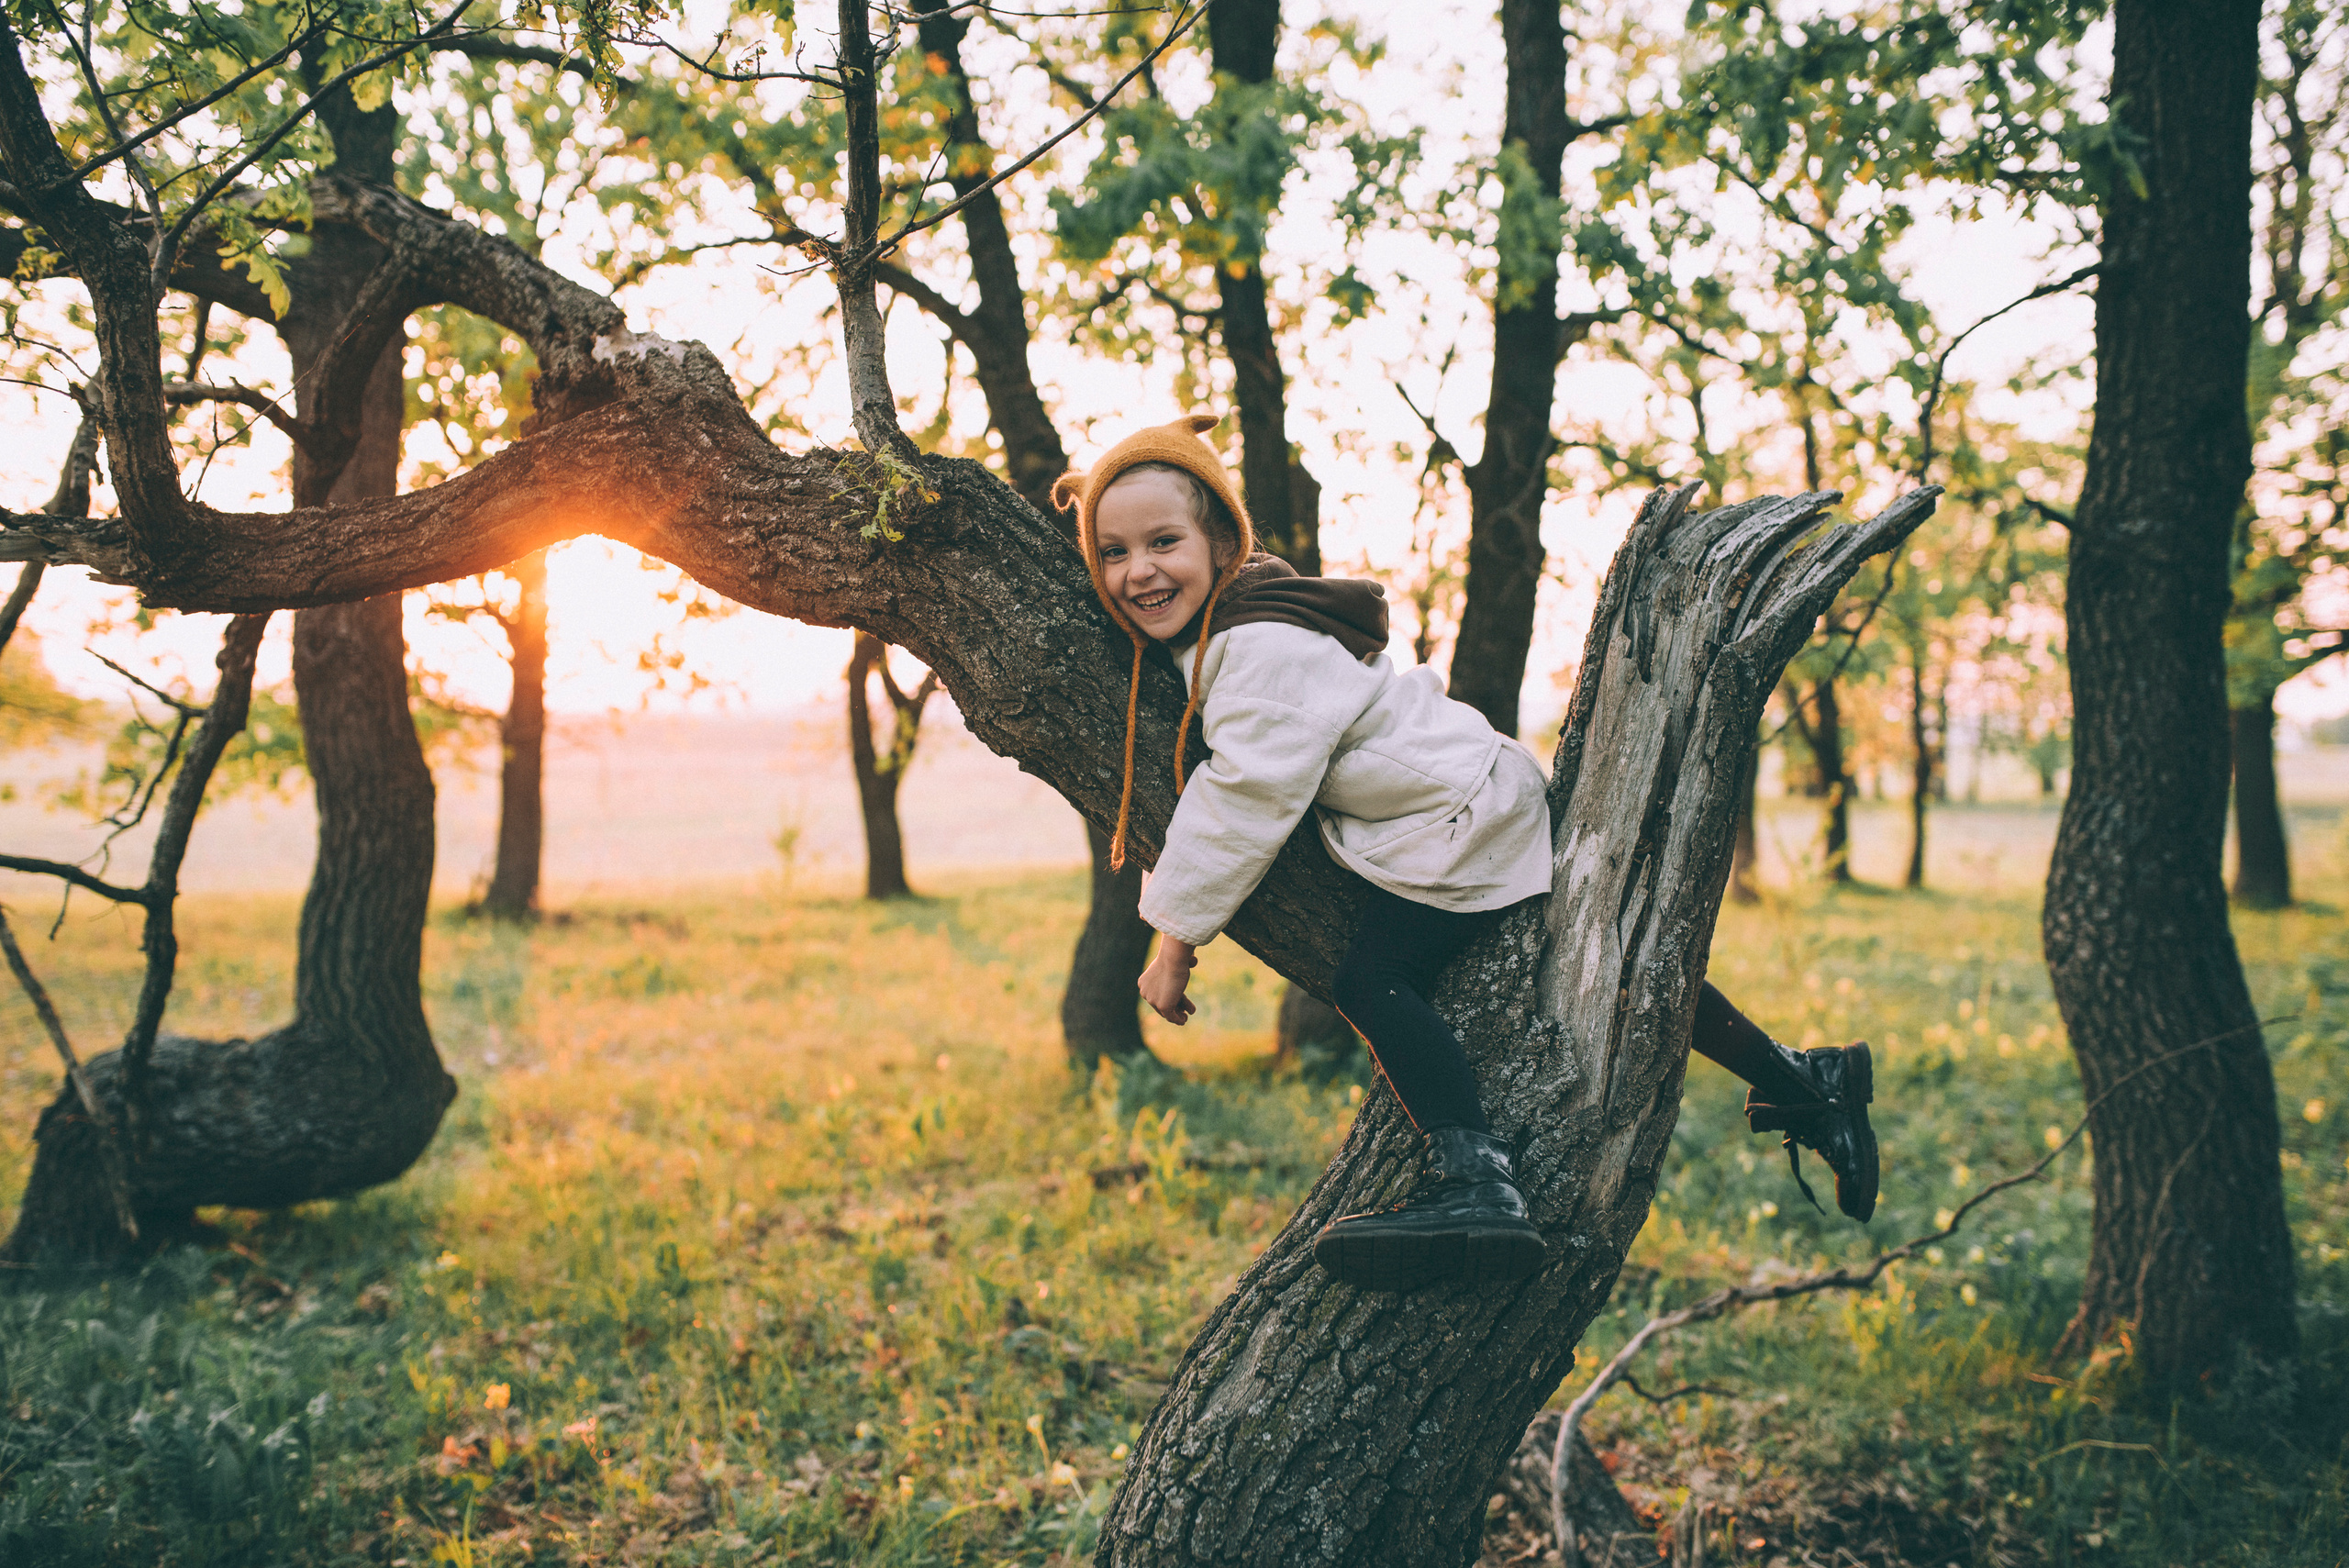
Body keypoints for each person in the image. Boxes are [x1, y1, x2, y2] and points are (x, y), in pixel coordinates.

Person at [1053, 414, 1878, 1293]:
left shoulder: (1257, 647)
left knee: (1373, 981)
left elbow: (1242, 795)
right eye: (1110, 552)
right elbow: (1207, 779)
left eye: (1163, 541)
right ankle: (1800, 1075)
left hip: (1455, 815)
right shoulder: (1235, 624)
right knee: (1592, 962)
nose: (1137, 569)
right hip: (1464, 795)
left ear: (1223, 542)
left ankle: (1476, 1177)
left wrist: (1175, 939)